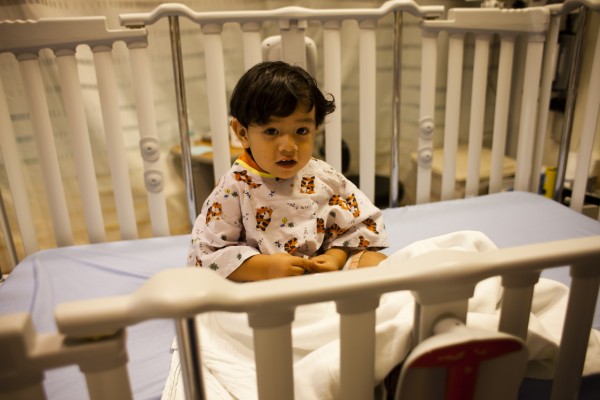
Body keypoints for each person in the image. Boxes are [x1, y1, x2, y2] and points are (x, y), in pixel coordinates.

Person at [187, 61, 388, 281]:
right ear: (242, 133)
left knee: (379, 265)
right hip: (263, 281)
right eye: (272, 131)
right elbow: (207, 256)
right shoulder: (236, 186)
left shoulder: (322, 175)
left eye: (301, 130)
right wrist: (265, 268)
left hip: (321, 273)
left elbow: (355, 226)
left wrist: (335, 257)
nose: (289, 146)